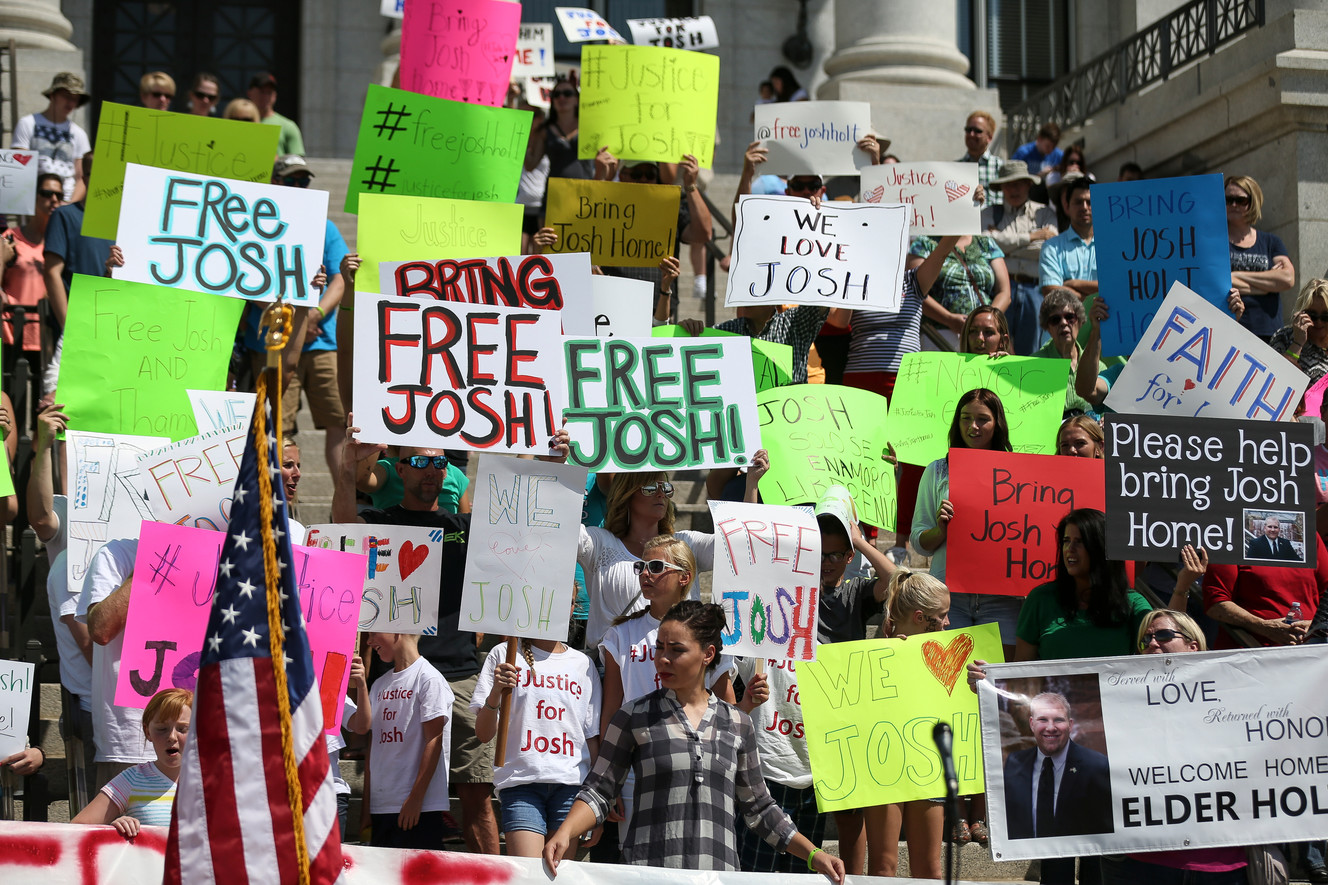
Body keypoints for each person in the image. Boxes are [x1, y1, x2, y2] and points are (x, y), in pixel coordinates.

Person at [542, 601, 845, 882]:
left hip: (717, 875)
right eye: (660, 647)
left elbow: (760, 808)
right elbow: (599, 790)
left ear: (708, 654)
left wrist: (814, 854)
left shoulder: (738, 724)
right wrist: (565, 833)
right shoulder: (632, 717)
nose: (663, 658)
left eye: (676, 650)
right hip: (648, 875)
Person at [599, 536, 736, 845]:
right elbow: (612, 708)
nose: (645, 574)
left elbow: (728, 706)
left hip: (699, 767)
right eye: (641, 567)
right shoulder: (620, 634)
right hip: (636, 770)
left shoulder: (707, 633)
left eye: (656, 566)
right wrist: (612, 780)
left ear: (684, 576)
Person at [1097, 611, 1251, 885]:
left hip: (1220, 864)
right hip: (1139, 862)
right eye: (1145, 640)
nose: (1153, 644)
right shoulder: (1117, 701)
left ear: (1194, 646)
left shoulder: (1235, 698)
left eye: (1164, 635)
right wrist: (997, 686)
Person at [241, 155, 349, 478]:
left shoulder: (324, 226)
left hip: (321, 341)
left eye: (304, 182)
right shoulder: (253, 225)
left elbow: (340, 277)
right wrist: (293, 317)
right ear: (275, 183)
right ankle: (283, 503)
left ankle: (343, 501)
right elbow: (244, 279)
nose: (300, 187)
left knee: (338, 421)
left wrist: (314, 314)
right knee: (276, 421)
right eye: (292, 181)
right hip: (270, 341)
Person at [912, 389, 1022, 658]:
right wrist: (940, 530)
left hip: (1002, 598)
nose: (973, 426)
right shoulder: (937, 471)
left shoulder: (1020, 472)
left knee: (999, 680)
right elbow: (919, 541)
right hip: (949, 597)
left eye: (982, 419)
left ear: (997, 423)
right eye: (965, 417)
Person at [472, 631, 602, 857]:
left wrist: (596, 803)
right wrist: (495, 693)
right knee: (529, 877)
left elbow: (590, 736)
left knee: (557, 879)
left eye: (570, 602)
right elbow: (483, 734)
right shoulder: (505, 654)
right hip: (521, 785)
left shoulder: (583, 664)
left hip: (571, 787)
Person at [864, 569, 952, 878]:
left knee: (930, 869)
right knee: (883, 867)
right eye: (942, 615)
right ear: (919, 617)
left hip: (927, 764)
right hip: (884, 768)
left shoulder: (947, 657)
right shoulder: (872, 657)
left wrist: (976, 683)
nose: (948, 622)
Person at [578, 472, 729, 650]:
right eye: (650, 488)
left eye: (665, 488)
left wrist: (751, 483)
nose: (660, 494)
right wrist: (554, 465)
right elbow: (557, 527)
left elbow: (736, 543)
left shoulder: (687, 544)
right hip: (614, 670)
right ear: (625, 494)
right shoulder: (599, 543)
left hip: (676, 667)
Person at [348, 633, 453, 849]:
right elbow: (374, 748)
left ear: (397, 629)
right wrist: (367, 809)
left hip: (419, 808)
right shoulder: (378, 684)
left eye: (374, 633)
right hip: (382, 807)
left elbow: (434, 739)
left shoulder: (428, 678)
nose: (368, 642)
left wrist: (416, 798)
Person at [71, 688, 192, 838]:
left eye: (183, 729)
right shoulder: (132, 778)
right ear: (148, 732)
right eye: (162, 729)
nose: (172, 737)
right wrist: (113, 831)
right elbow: (76, 829)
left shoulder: (215, 781)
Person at [1001, 691, 1113, 840]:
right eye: (1043, 720)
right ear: (1032, 724)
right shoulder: (1014, 763)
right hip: (1027, 860)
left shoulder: (1097, 766)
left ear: (1070, 725)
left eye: (1058, 720)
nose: (1051, 727)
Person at [983, 160, 1059, 354]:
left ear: (1028, 184)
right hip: (1000, 288)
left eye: (1017, 183)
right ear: (1001, 188)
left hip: (1035, 289)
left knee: (1033, 351)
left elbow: (1048, 248)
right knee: (996, 347)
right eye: (1008, 184)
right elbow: (986, 245)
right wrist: (1032, 236)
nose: (1013, 189)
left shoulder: (1044, 213)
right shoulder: (989, 213)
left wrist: (1003, 245)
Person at [1203, 531, 1325, 649]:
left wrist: (1313, 626)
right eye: (1269, 526)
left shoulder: (1307, 532)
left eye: (1275, 527)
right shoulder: (1232, 534)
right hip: (1250, 653)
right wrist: (1263, 626)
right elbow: (1216, 603)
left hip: (1311, 654)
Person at [3, 172, 64, 362]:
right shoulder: (9, 238)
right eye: (46, 193)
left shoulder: (62, 243)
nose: (53, 199)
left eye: (59, 195)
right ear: (33, 196)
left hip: (48, 333)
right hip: (13, 332)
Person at [909, 232, 1010, 344]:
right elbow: (914, 290)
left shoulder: (986, 243)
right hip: (940, 336)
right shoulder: (924, 243)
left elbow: (1004, 292)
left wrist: (987, 320)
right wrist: (948, 319)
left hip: (983, 338)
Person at [1227, 175, 1294, 341]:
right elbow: (1215, 281)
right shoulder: (1215, 242)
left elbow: (1287, 279)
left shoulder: (1271, 242)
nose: (1233, 205)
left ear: (1253, 202)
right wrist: (1266, 285)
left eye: (1240, 200)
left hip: (1269, 331)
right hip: (1231, 327)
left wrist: (1235, 276)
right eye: (1228, 199)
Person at [11, 72, 90, 202]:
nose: (70, 103)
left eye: (75, 99)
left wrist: (69, 206)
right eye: (66, 96)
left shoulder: (79, 134)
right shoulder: (28, 123)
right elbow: (19, 167)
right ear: (53, 95)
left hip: (65, 199)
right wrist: (26, 203)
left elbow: (82, 176)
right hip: (35, 200)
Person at [1034, 289, 1107, 418]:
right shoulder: (1034, 365)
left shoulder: (1099, 367)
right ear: (1047, 327)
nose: (1063, 323)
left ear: (1080, 321)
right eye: (1055, 320)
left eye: (1069, 317)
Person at [1039, 177, 1097, 299]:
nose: (1084, 207)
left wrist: (1074, 284)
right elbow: (1050, 290)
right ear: (1067, 206)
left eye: (1090, 202)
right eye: (1078, 202)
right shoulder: (1051, 247)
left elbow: (1116, 287)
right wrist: (1092, 299)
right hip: (1067, 317)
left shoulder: (1112, 246)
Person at [1271, 278, 1328, 382]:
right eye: (1312, 316)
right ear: (1302, 312)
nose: (1319, 322)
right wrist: (1298, 343)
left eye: (1325, 317)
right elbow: (1275, 378)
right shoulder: (1284, 337)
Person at [246, 71, 304, 155]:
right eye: (261, 91)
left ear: (275, 96)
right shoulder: (239, 119)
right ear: (250, 93)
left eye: (269, 92)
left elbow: (297, 161)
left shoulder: (288, 126)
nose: (265, 96)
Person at [959, 110, 1003, 206]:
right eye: (968, 130)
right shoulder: (955, 168)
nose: (971, 134)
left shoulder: (1000, 167)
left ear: (989, 137)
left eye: (977, 131)